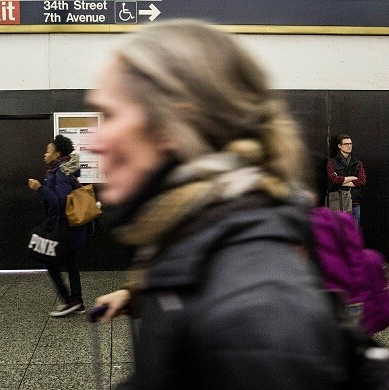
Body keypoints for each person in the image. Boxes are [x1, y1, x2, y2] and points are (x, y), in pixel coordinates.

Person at [89, 20, 347, 388]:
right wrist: (137, 294)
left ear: (171, 124)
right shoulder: (190, 233)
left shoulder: (256, 314)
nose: (94, 142)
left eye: (110, 115)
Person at [28, 135, 88, 317]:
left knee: (51, 261)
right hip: (67, 227)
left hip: (64, 227)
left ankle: (71, 300)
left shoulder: (60, 172)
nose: (45, 154)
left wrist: (39, 188)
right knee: (70, 264)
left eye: (48, 151)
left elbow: (59, 201)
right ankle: (75, 301)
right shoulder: (58, 170)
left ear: (57, 153)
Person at [326, 134, 366, 222]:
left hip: (354, 202)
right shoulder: (332, 162)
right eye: (346, 144)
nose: (349, 146)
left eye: (350, 144)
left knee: (353, 231)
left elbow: (362, 181)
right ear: (339, 146)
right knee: (338, 229)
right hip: (339, 202)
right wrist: (352, 178)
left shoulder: (357, 163)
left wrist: (341, 181)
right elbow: (333, 179)